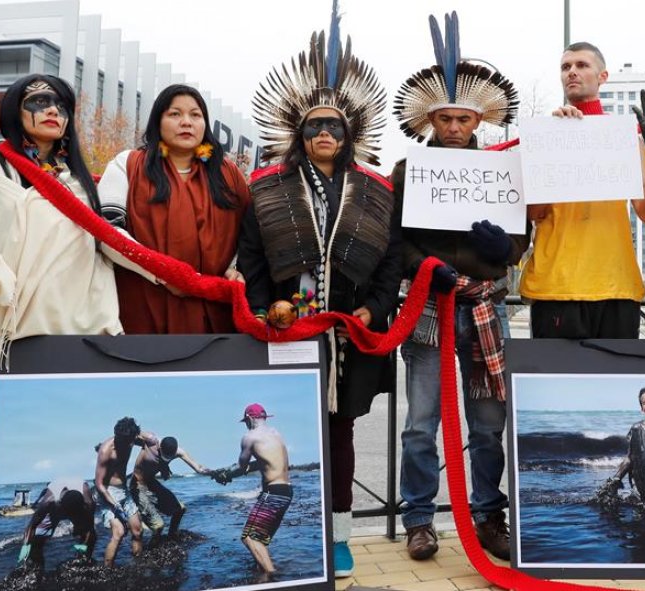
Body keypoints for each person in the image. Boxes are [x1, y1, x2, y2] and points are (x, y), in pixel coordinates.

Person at [238, 5, 400, 578]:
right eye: (314, 127)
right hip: (289, 327)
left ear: (349, 134)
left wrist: (375, 307)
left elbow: (393, 259)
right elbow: (252, 256)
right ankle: (293, 535)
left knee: (340, 432)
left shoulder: (376, 189)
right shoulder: (268, 187)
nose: (325, 133)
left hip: (351, 333)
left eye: (334, 126)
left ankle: (338, 534)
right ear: (300, 135)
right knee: (297, 429)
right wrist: (265, 306)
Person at [0, 74, 156, 532]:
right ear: (14, 111)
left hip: (69, 332)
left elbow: (107, 250)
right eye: (40, 101)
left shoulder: (83, 182)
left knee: (61, 427)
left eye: (61, 105)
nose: (54, 111)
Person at [391, 11, 523, 562]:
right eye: (444, 118)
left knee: (489, 425)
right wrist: (428, 269)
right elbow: (392, 239)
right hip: (430, 306)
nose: (453, 127)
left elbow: (520, 236)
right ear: (430, 121)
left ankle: (489, 513)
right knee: (420, 425)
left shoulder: (501, 169)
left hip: (488, 308)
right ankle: (420, 518)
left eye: (462, 119)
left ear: (477, 123)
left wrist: (504, 252)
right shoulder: (406, 171)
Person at [519, 41, 645, 339]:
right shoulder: (545, 136)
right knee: (556, 385)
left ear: (603, 76)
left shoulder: (623, 137)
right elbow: (534, 213)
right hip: (557, 285)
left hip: (616, 283)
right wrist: (554, 149)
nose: (572, 72)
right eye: (565, 67)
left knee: (617, 384)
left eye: (582, 65)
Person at [98, 84, 250, 334]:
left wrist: (235, 268)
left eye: (195, 115)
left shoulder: (228, 174)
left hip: (215, 310)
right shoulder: (128, 164)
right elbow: (106, 232)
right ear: (158, 120)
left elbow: (250, 234)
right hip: (143, 302)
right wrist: (162, 273)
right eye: (175, 114)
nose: (186, 122)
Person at [211, 404, 291, 576]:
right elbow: (272, 462)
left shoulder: (250, 437)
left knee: (249, 538)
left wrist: (224, 475)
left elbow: (240, 467)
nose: (246, 425)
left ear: (249, 418)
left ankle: (273, 579)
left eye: (245, 421)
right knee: (261, 539)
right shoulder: (276, 433)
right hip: (286, 491)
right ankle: (260, 576)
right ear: (264, 417)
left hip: (273, 493)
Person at [130, 434, 212, 544]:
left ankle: (172, 535)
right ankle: (152, 546)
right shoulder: (150, 441)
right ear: (160, 448)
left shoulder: (179, 452)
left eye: (170, 456)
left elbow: (199, 468)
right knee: (158, 525)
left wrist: (215, 473)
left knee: (180, 509)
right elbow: (128, 437)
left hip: (151, 483)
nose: (167, 458)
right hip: (137, 484)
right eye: (164, 455)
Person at [94, 417, 154, 566]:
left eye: (133, 440)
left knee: (138, 531)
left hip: (124, 491)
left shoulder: (131, 438)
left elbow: (152, 442)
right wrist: (115, 505)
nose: (131, 444)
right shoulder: (106, 451)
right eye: (129, 441)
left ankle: (138, 565)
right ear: (119, 438)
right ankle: (107, 572)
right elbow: (99, 484)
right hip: (107, 493)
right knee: (119, 533)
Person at [15, 479, 96, 569]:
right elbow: (31, 527)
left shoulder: (88, 503)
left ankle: (82, 562)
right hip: (55, 510)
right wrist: (24, 552)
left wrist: (82, 546)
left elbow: (90, 528)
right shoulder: (48, 502)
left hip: (78, 508)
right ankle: (37, 567)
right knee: (37, 540)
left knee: (90, 537)